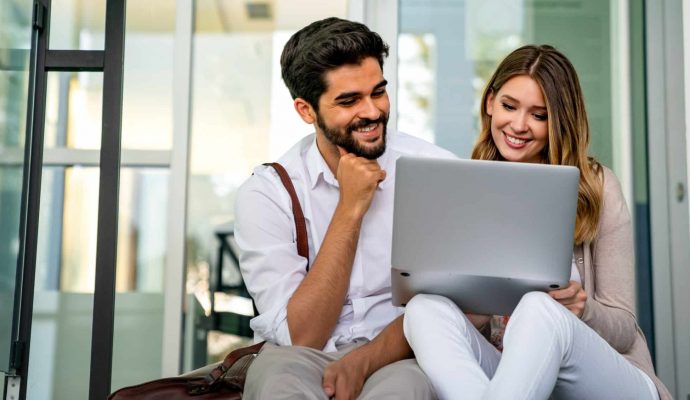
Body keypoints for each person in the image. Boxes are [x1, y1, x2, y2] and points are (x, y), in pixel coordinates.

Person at [403, 44, 672, 400]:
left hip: (614, 380)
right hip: (512, 381)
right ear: (490, 103)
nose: (518, 125)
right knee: (424, 309)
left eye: (539, 115)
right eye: (509, 106)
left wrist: (582, 309)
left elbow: (624, 331)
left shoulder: (597, 186)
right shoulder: (467, 189)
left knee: (538, 307)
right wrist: (473, 305)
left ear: (558, 121)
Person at [234, 17, 454, 400]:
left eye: (378, 92)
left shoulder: (434, 171)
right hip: (304, 355)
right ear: (306, 110)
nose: (372, 112)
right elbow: (302, 334)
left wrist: (365, 360)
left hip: (400, 354)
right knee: (277, 384)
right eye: (349, 101)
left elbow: (455, 304)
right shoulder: (267, 194)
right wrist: (350, 207)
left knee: (407, 390)